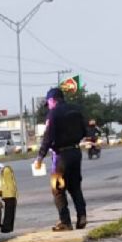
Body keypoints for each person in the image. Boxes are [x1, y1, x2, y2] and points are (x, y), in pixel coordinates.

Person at [34, 88, 89, 231]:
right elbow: (85, 131)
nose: (49, 106)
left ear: (52, 100)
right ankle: (82, 215)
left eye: (49, 103)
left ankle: (65, 221)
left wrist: (40, 157)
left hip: (61, 156)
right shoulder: (76, 110)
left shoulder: (53, 114)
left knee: (57, 188)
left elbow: (48, 137)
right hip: (76, 152)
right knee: (75, 186)